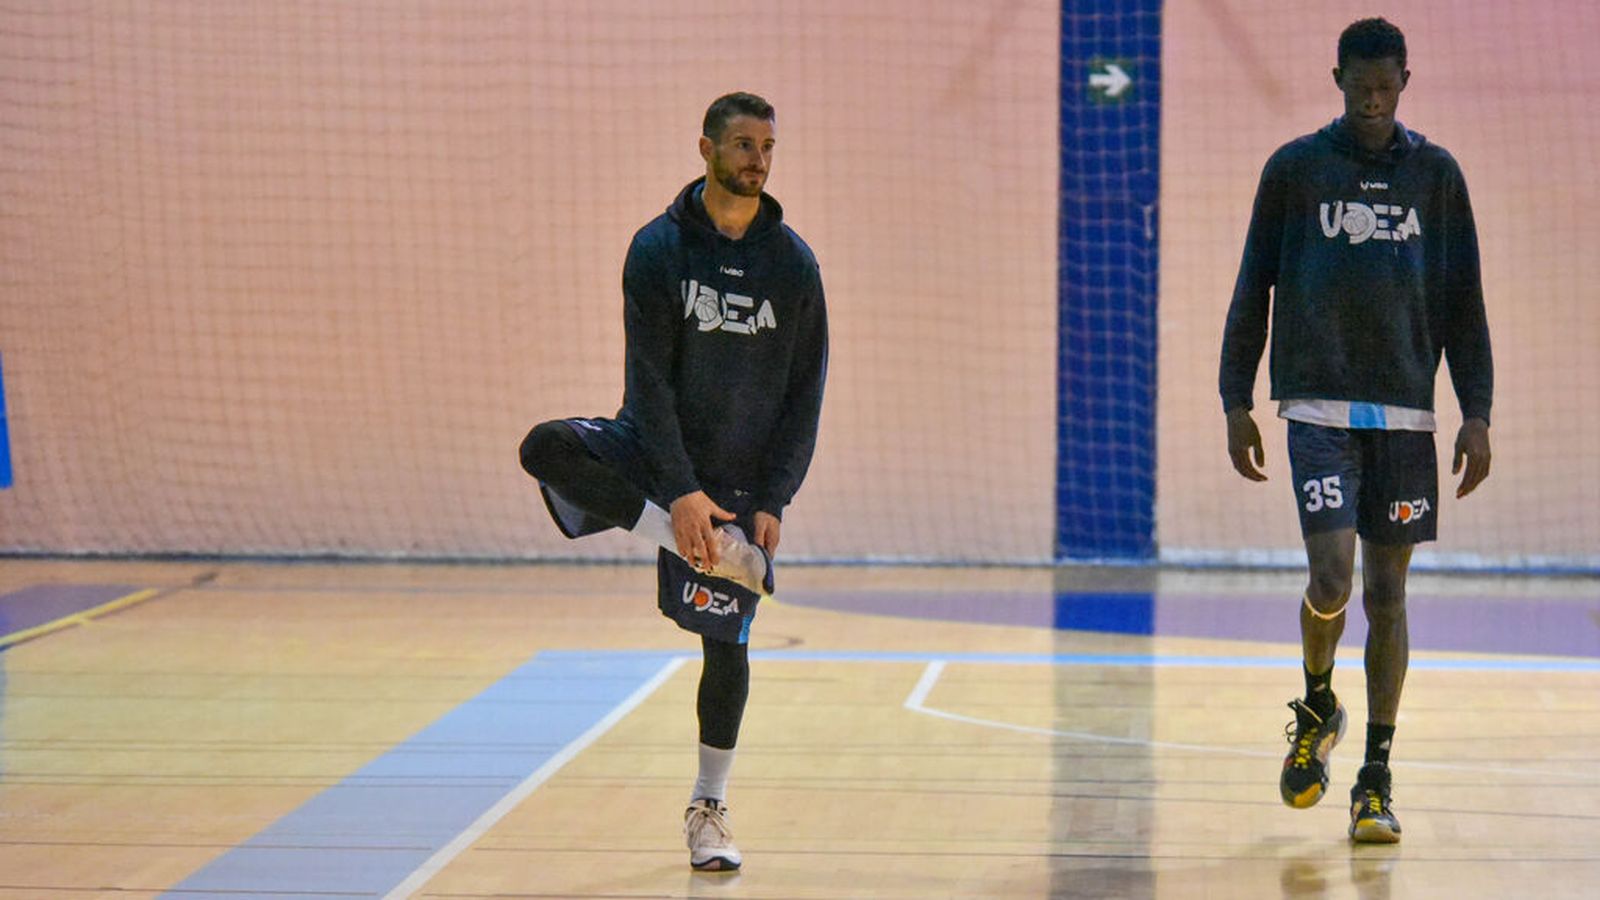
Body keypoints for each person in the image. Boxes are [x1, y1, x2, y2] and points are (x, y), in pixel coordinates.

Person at [519, 91, 827, 871]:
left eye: (768, 146)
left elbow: (805, 392)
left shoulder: (792, 265)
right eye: (744, 144)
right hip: (655, 452)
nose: (758, 159)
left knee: (727, 650)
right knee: (545, 447)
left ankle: (709, 806)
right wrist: (680, 500)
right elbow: (647, 380)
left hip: (738, 474)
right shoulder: (658, 249)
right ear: (706, 149)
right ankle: (687, 542)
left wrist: (772, 500)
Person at [1218, 18, 1492, 843]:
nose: (1373, 102)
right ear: (1335, 78)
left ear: (1406, 80)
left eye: (1386, 87)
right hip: (1318, 408)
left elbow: (1464, 304)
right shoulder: (1295, 171)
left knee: (1389, 595)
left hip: (1406, 415)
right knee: (1333, 578)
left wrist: (1477, 410)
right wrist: (1236, 398)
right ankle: (1316, 702)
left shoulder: (1437, 176)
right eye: (1359, 87)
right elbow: (1252, 288)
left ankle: (1374, 776)